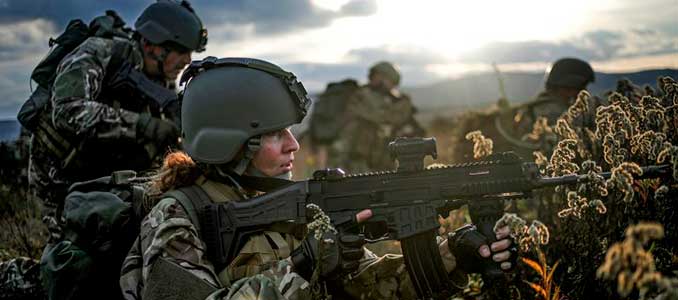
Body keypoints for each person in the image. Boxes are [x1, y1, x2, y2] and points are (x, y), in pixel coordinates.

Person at [120, 57, 514, 300]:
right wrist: (304, 264)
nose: (294, 145)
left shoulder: (292, 200)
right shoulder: (178, 215)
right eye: (276, 134)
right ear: (233, 144)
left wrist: (453, 255)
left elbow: (365, 286)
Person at [27, 0, 207, 236]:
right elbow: (67, 111)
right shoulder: (99, 52)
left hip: (108, 176)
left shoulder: (160, 81)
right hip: (61, 180)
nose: (187, 61)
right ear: (153, 45)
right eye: (181, 51)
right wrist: (142, 125)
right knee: (74, 261)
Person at [328, 61, 426, 173]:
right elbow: (378, 116)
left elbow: (415, 130)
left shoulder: (396, 101)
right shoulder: (363, 96)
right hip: (359, 161)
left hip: (384, 161)